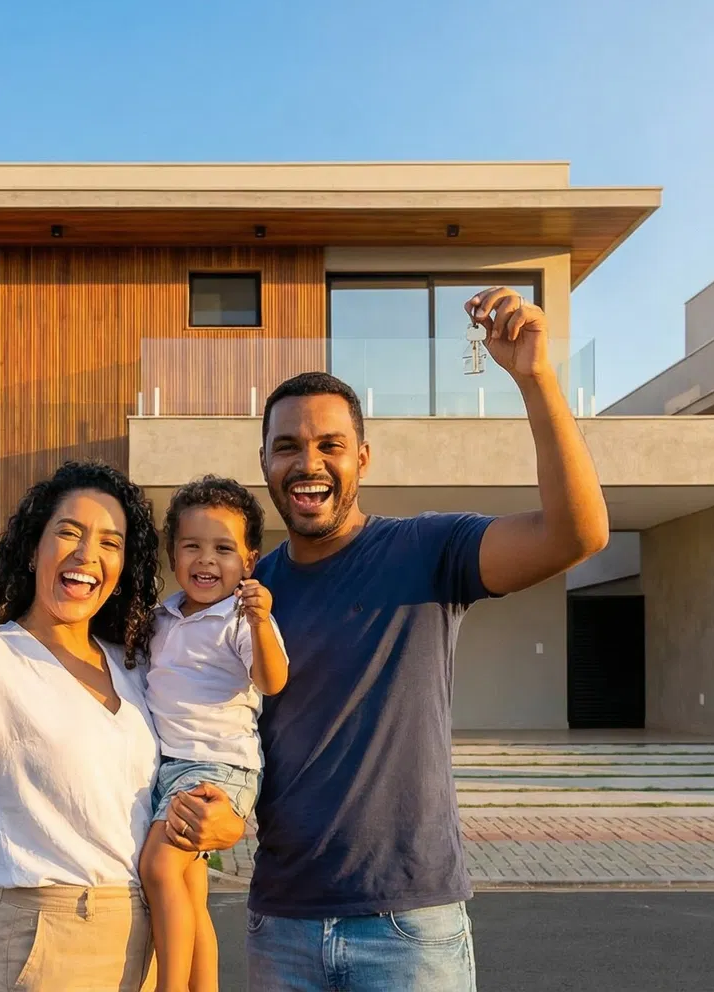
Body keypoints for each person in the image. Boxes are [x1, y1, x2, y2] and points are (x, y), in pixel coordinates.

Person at [245, 287, 609, 990]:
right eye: (287, 446)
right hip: (281, 921)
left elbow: (578, 533)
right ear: (263, 461)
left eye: (331, 445)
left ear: (364, 459)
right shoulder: (246, 592)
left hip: (410, 925)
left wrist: (536, 379)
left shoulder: (427, 551)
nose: (308, 462)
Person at [0, 460, 247, 992]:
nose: (86, 554)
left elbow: (197, 764)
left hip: (158, 944)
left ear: (122, 570)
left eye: (110, 543)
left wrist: (225, 825)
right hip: (58, 944)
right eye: (69, 532)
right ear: (32, 550)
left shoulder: (136, 663)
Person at [137, 475, 289, 992]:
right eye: (192, 547)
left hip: (218, 765)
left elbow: (272, 680)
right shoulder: (163, 617)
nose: (206, 560)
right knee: (188, 888)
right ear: (173, 555)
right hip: (172, 766)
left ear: (248, 562)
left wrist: (263, 622)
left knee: (159, 868)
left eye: (223, 549)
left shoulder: (242, 619)